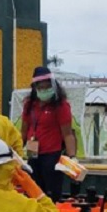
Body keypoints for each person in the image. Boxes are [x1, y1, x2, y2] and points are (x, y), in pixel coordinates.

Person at [21, 66, 76, 203]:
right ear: (35, 88)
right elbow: (23, 131)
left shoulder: (61, 105)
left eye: (47, 87)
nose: (44, 91)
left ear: (53, 86)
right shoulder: (29, 105)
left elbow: (68, 134)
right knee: (33, 192)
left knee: (51, 194)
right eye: (41, 88)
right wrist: (15, 153)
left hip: (52, 156)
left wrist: (72, 157)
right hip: (32, 154)